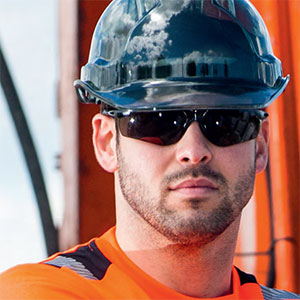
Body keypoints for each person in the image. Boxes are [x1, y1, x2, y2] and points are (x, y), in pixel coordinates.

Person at [0, 0, 299, 299]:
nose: (193, 150)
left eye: (224, 121)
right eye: (158, 122)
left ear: (260, 145)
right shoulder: (39, 293)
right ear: (106, 143)